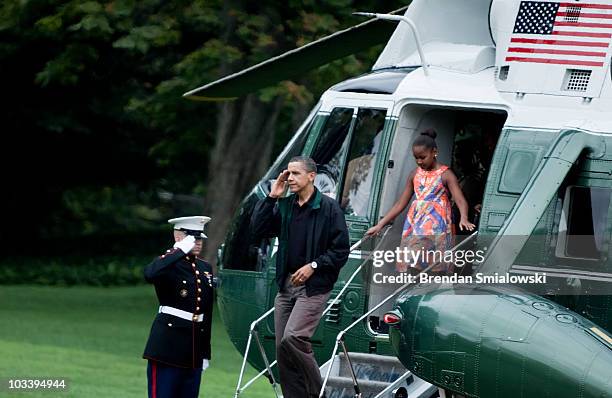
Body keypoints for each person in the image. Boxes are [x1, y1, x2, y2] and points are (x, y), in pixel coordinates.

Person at [251, 156, 350, 398]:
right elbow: (258, 229)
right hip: (286, 287)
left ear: (311, 176)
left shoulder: (329, 208)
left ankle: (318, 394)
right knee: (282, 349)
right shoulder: (285, 206)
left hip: (313, 287)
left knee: (293, 337)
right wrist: (273, 196)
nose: (290, 178)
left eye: (295, 174)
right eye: (288, 174)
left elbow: (340, 251)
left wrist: (314, 265)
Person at [366, 129, 475, 273]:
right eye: (416, 158)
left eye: (422, 157)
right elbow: (400, 203)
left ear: (434, 152)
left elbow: (460, 199)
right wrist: (380, 225)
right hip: (416, 226)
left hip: (437, 227)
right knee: (414, 265)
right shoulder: (414, 174)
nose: (419, 161)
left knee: (436, 267)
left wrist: (464, 218)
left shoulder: (445, 174)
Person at [142, 216, 214, 398]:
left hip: (193, 349)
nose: (198, 243)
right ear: (179, 238)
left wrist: (205, 352)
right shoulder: (168, 264)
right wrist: (179, 250)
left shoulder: (205, 268)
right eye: (192, 238)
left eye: (200, 239)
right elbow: (150, 274)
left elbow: (206, 312)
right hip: (168, 345)